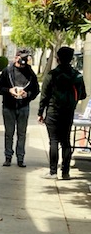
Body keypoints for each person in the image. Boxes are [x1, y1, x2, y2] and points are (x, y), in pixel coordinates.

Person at [37, 46, 87, 179]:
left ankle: (53, 172)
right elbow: (83, 95)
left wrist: (40, 112)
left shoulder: (52, 75)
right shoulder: (77, 75)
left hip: (53, 111)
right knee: (66, 141)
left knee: (53, 141)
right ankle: (65, 172)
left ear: (58, 59)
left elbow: (44, 96)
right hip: (68, 112)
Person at [0, 48, 39, 167]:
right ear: (16, 58)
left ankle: (20, 158)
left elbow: (36, 90)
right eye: (21, 58)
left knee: (22, 133)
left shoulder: (30, 73)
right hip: (8, 107)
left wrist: (27, 95)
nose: (23, 61)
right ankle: (8, 157)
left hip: (23, 107)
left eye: (25, 58)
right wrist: (9, 90)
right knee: (9, 133)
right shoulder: (8, 71)